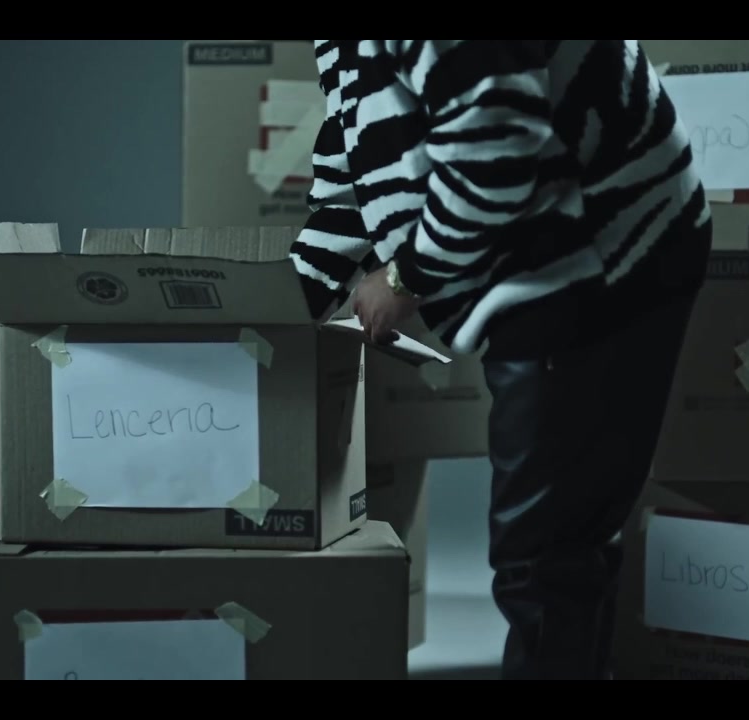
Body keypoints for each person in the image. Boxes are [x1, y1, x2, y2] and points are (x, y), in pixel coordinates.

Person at [290, 40, 712, 681]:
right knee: (565, 534)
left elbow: (497, 152)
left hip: (601, 250)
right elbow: (358, 174)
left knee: (544, 548)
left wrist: (404, 278)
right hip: (546, 252)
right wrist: (278, 312)